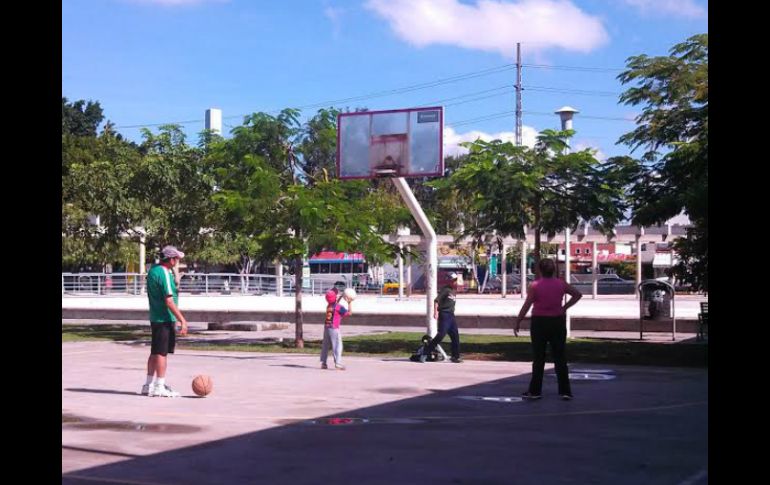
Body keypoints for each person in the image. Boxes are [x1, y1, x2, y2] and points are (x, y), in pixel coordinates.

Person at [514, 258, 582, 400]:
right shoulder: (561, 284)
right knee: (560, 357)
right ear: (554, 270)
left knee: (539, 357)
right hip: (557, 321)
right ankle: (565, 391)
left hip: (539, 322)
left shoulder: (535, 285)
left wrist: (518, 320)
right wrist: (564, 308)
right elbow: (577, 294)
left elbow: (527, 304)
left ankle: (535, 391)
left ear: (539, 270)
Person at [141, 245, 189, 398]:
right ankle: (159, 386)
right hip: (165, 317)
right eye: (176, 258)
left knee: (155, 352)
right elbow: (169, 300)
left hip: (155, 317)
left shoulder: (153, 270)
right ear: (170, 259)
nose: (178, 261)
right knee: (162, 353)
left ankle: (148, 385)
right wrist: (182, 320)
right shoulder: (164, 273)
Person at [421, 272, 462, 363]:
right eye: (453, 280)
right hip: (444, 314)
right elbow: (436, 301)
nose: (455, 281)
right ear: (449, 280)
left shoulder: (453, 290)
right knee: (441, 335)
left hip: (451, 316)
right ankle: (425, 352)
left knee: (455, 336)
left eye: (455, 280)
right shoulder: (446, 290)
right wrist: (436, 312)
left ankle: (456, 356)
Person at [320, 288, 352, 370]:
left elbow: (335, 303)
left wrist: (341, 296)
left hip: (326, 328)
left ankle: (323, 363)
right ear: (334, 298)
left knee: (325, 346)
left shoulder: (329, 306)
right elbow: (349, 313)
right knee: (338, 346)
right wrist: (349, 303)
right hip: (334, 328)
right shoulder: (339, 307)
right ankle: (338, 363)